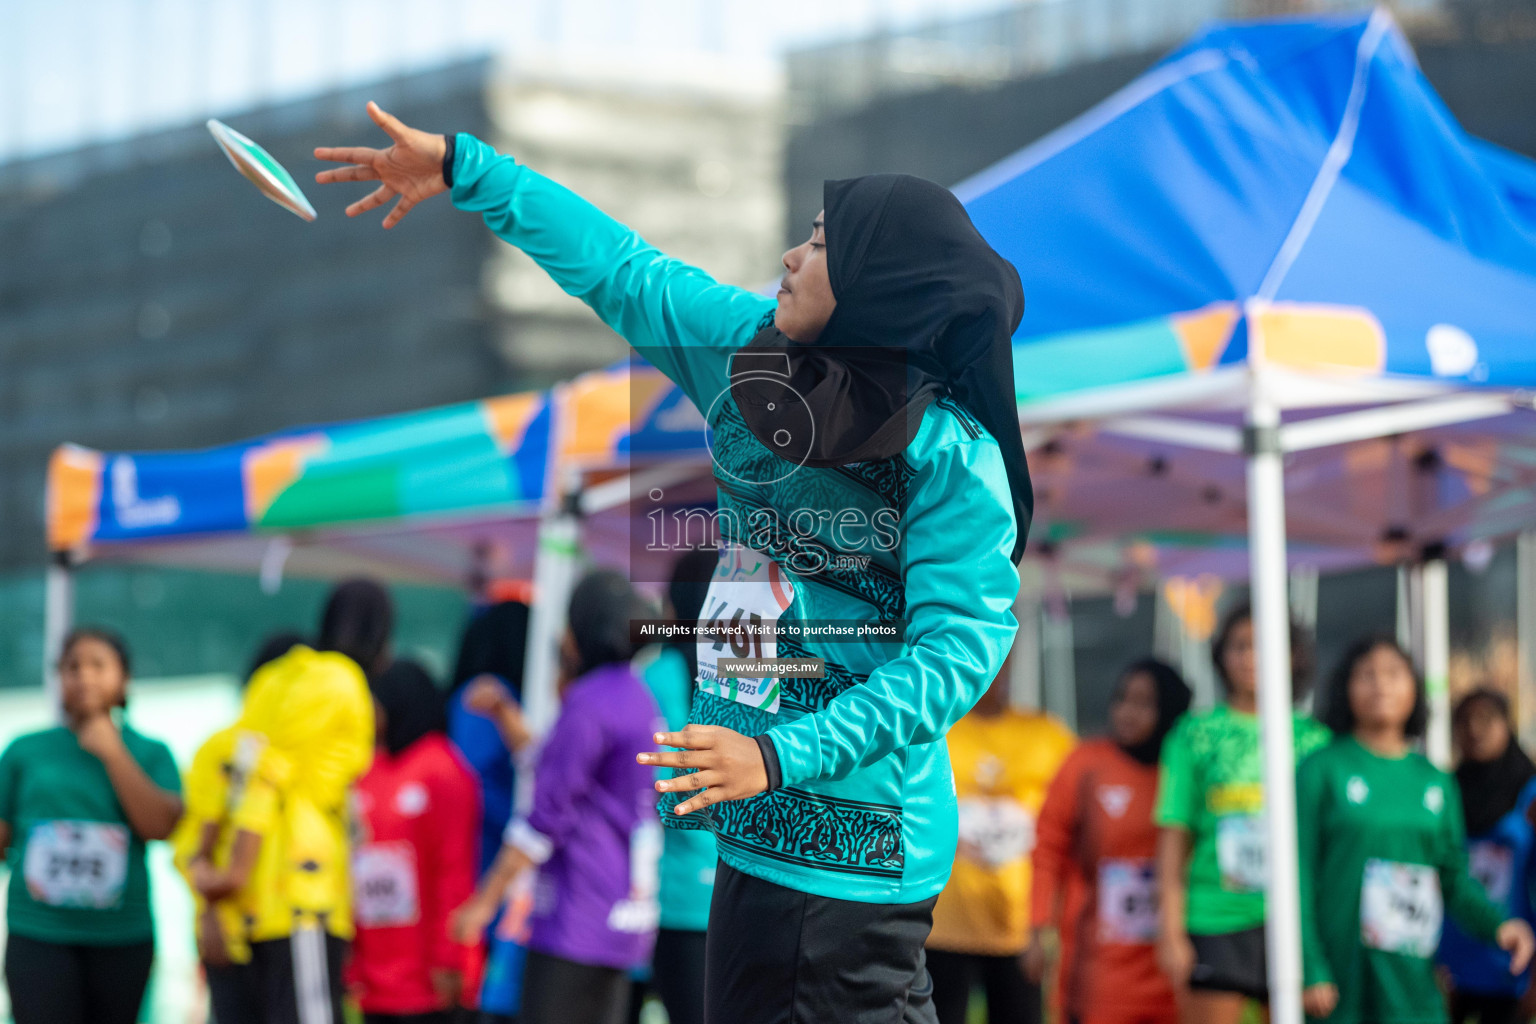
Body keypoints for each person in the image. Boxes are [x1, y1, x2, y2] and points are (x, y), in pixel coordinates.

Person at [317, 96, 1028, 1024]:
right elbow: (622, 271)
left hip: (854, 860)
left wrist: (780, 756)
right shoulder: (745, 357)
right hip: (743, 835)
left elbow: (953, 661)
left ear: (875, 278)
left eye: (819, 243)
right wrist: (467, 168)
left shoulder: (950, 458)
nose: (790, 255)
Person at [450, 569, 664, 1024]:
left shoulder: (588, 703)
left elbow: (543, 817)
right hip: (623, 921)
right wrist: (506, 715)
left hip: (575, 920)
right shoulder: (637, 699)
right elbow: (560, 771)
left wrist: (483, 903)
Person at [1298, 637, 1536, 1024]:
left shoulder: (1435, 780)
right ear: (1345, 687)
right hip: (1341, 976)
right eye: (1367, 675)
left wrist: (1499, 926)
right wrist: (1309, 967)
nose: (1381, 686)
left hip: (1412, 979)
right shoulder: (1321, 769)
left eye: (1394, 674)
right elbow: (1299, 875)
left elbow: (1453, 877)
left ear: (1414, 688)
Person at [204, 579, 381, 1024]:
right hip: (303, 895)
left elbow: (240, 781)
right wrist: (236, 869)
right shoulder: (339, 682)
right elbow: (270, 772)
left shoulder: (272, 682)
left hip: (257, 903)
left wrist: (221, 883)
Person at [1155, 602, 1330, 1024]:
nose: (1251, 657)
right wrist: (1170, 930)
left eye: (1264, 645)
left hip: (1297, 921)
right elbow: (1173, 836)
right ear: (1221, 656)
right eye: (1239, 646)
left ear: (1293, 656)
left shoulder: (1316, 741)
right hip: (1214, 919)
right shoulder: (1194, 734)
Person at [0, 627, 184, 1024]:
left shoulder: (151, 753)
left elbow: (160, 828)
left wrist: (112, 752)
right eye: (72, 667)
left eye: (98, 665)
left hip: (121, 936)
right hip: (39, 933)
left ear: (125, 678)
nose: (84, 676)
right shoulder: (24, 750)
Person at [1028, 659, 1191, 1024]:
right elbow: (1047, 851)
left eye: (1144, 703)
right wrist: (1038, 929)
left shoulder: (1186, 771)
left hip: (1174, 961)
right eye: (1121, 699)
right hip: (1098, 967)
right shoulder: (1086, 765)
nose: (1127, 712)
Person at [923, 657, 1076, 1024]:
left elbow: (1071, 820)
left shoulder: (1047, 735)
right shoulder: (935, 731)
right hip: (942, 921)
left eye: (998, 663)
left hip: (1019, 923)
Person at [173, 632, 305, 1024]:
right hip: (240, 931)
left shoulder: (309, 751)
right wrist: (208, 912)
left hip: (286, 925)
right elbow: (193, 844)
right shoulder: (223, 749)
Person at [348, 659, 481, 1024]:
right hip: (374, 977)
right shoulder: (366, 769)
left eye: (375, 702)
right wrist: (353, 962)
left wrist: (449, 957)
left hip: (427, 979)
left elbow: (454, 872)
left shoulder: (444, 770)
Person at [625, 548, 721, 1024]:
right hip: (735, 892)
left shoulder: (650, 678)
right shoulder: (753, 678)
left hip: (665, 894)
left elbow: (643, 787)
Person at [446, 600, 533, 1023]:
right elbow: (475, 784)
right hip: (491, 858)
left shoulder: (474, 697)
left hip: (485, 858)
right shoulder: (489, 697)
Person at [1437, 689, 1536, 1024]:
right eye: (1464, 721)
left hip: (1513, 956)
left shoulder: (1530, 793)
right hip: (1451, 960)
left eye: (1486, 719)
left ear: (1506, 725)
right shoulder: (1442, 791)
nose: (1475, 730)